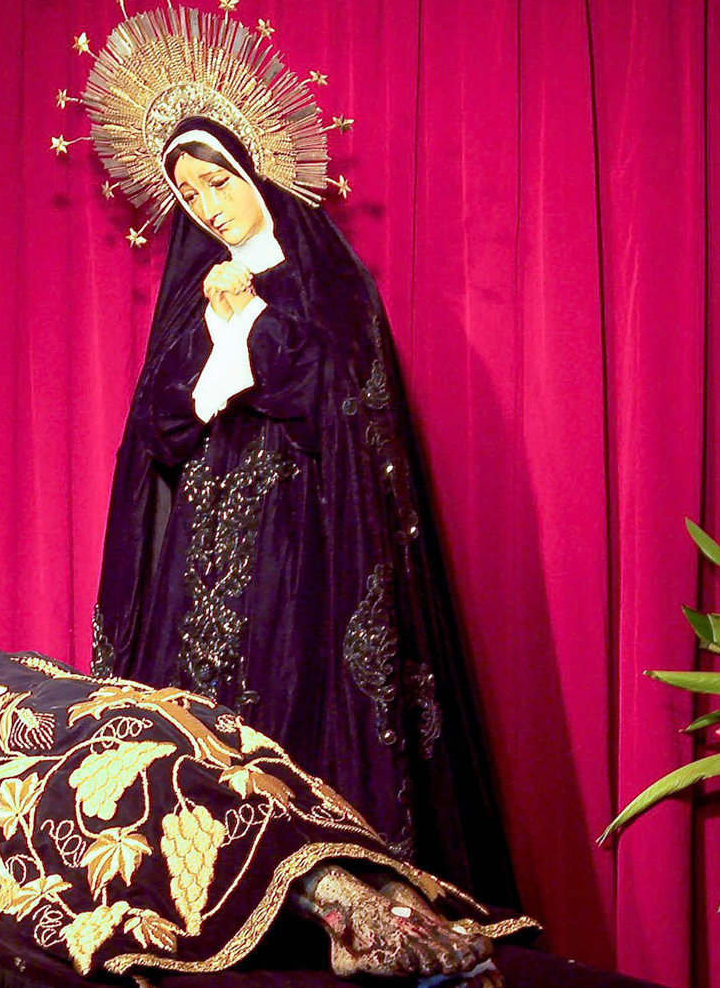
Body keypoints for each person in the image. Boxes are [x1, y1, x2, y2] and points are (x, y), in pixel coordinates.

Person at [0, 538, 535, 988]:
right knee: (138, 770)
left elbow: (6, 666)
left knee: (189, 719)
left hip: (48, 704)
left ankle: (379, 894)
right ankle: (343, 914)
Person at [93, 118, 517, 904]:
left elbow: (342, 403)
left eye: (218, 183)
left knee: (289, 722)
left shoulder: (325, 283)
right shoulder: (194, 298)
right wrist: (215, 325)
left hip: (300, 547)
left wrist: (254, 319)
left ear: (254, 176)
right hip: (200, 555)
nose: (210, 207)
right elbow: (157, 426)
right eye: (190, 195)